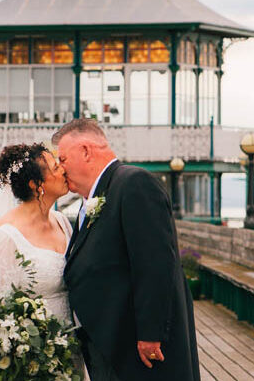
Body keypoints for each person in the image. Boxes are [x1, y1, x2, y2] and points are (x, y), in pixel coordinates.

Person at [56, 119, 200, 381]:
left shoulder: (134, 183)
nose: (60, 168)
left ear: (86, 151)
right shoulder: (97, 195)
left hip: (139, 349)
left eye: (63, 159)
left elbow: (155, 264)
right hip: (112, 344)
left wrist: (150, 334)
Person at [0, 142, 88, 381]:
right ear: (36, 184)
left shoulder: (62, 223)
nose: (63, 170)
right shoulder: (7, 235)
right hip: (32, 361)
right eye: (55, 167)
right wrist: (17, 347)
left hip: (69, 348)